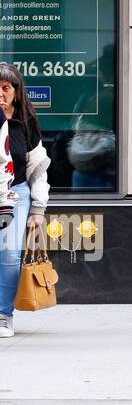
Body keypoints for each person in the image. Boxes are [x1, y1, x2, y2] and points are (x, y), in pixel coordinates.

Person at [0, 63, 52, 338]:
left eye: (5, 88)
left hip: (15, 194)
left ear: (16, 93)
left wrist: (38, 208)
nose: (0, 93)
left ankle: (3, 315)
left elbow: (38, 167)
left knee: (8, 256)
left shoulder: (26, 123)